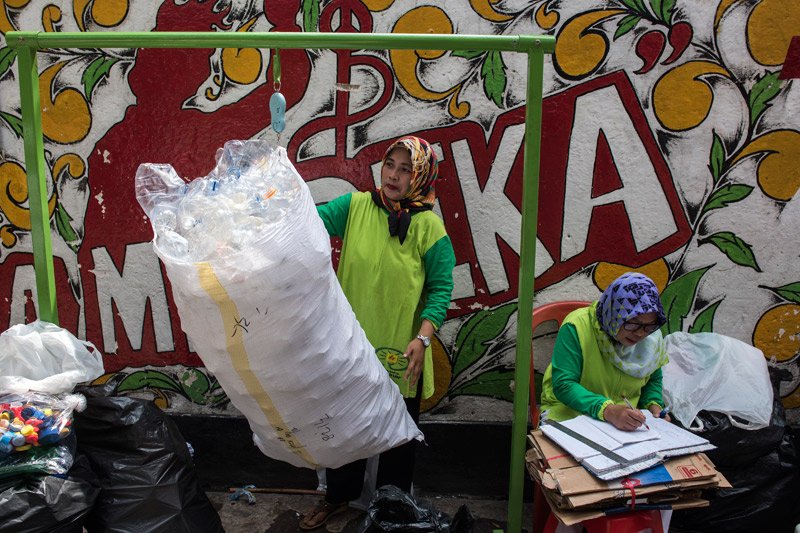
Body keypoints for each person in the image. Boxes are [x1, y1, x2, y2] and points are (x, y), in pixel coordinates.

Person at [299, 136, 456, 530]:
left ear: (419, 176)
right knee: (344, 429)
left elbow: (440, 290)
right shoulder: (353, 208)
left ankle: (390, 512)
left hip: (402, 351)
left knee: (396, 440)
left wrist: (423, 338)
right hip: (348, 346)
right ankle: (338, 498)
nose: (394, 175)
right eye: (390, 165)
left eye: (406, 169)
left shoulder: (429, 228)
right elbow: (306, 223)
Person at [539, 272, 670, 431]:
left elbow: (653, 379)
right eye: (633, 323)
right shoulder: (577, 327)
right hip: (570, 411)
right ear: (615, 314)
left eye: (649, 326)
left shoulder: (653, 337)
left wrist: (653, 405)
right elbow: (564, 385)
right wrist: (608, 410)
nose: (640, 333)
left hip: (624, 421)